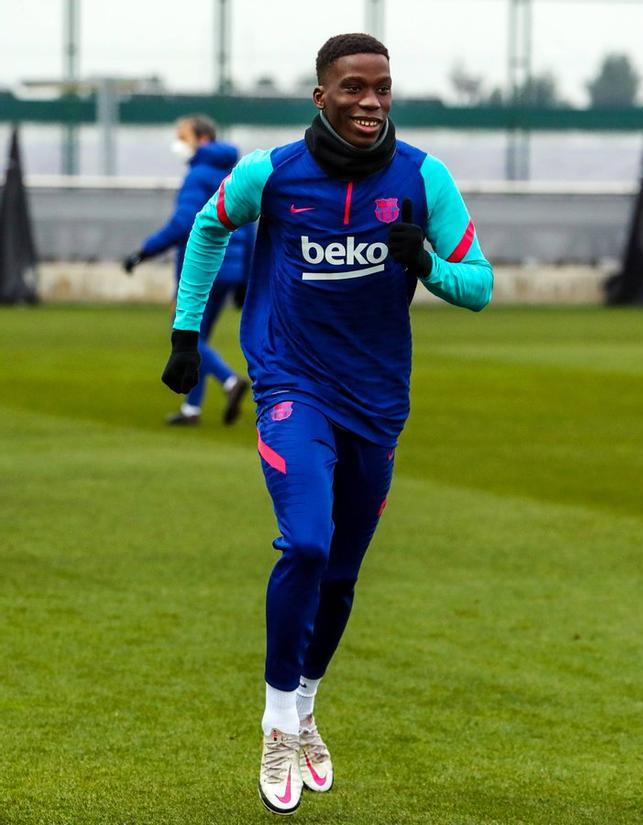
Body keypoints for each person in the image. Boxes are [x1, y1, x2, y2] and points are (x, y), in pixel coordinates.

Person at [161, 33, 493, 815]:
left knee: (341, 573)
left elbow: (478, 285)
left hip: (376, 400)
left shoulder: (423, 178)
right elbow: (209, 228)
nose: (370, 100)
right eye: (352, 87)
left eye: (381, 87)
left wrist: (428, 266)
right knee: (306, 541)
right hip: (290, 383)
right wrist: (185, 332)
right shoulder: (270, 174)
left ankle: (307, 703)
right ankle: (278, 719)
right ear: (322, 96)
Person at [124, 114, 252, 425]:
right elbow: (249, 226)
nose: (178, 143)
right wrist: (244, 278)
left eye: (182, 136)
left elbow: (184, 224)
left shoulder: (198, 175)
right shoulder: (235, 172)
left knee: (183, 333)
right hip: (231, 268)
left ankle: (230, 381)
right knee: (198, 335)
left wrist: (144, 251)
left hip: (202, 268)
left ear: (202, 139)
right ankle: (191, 409)